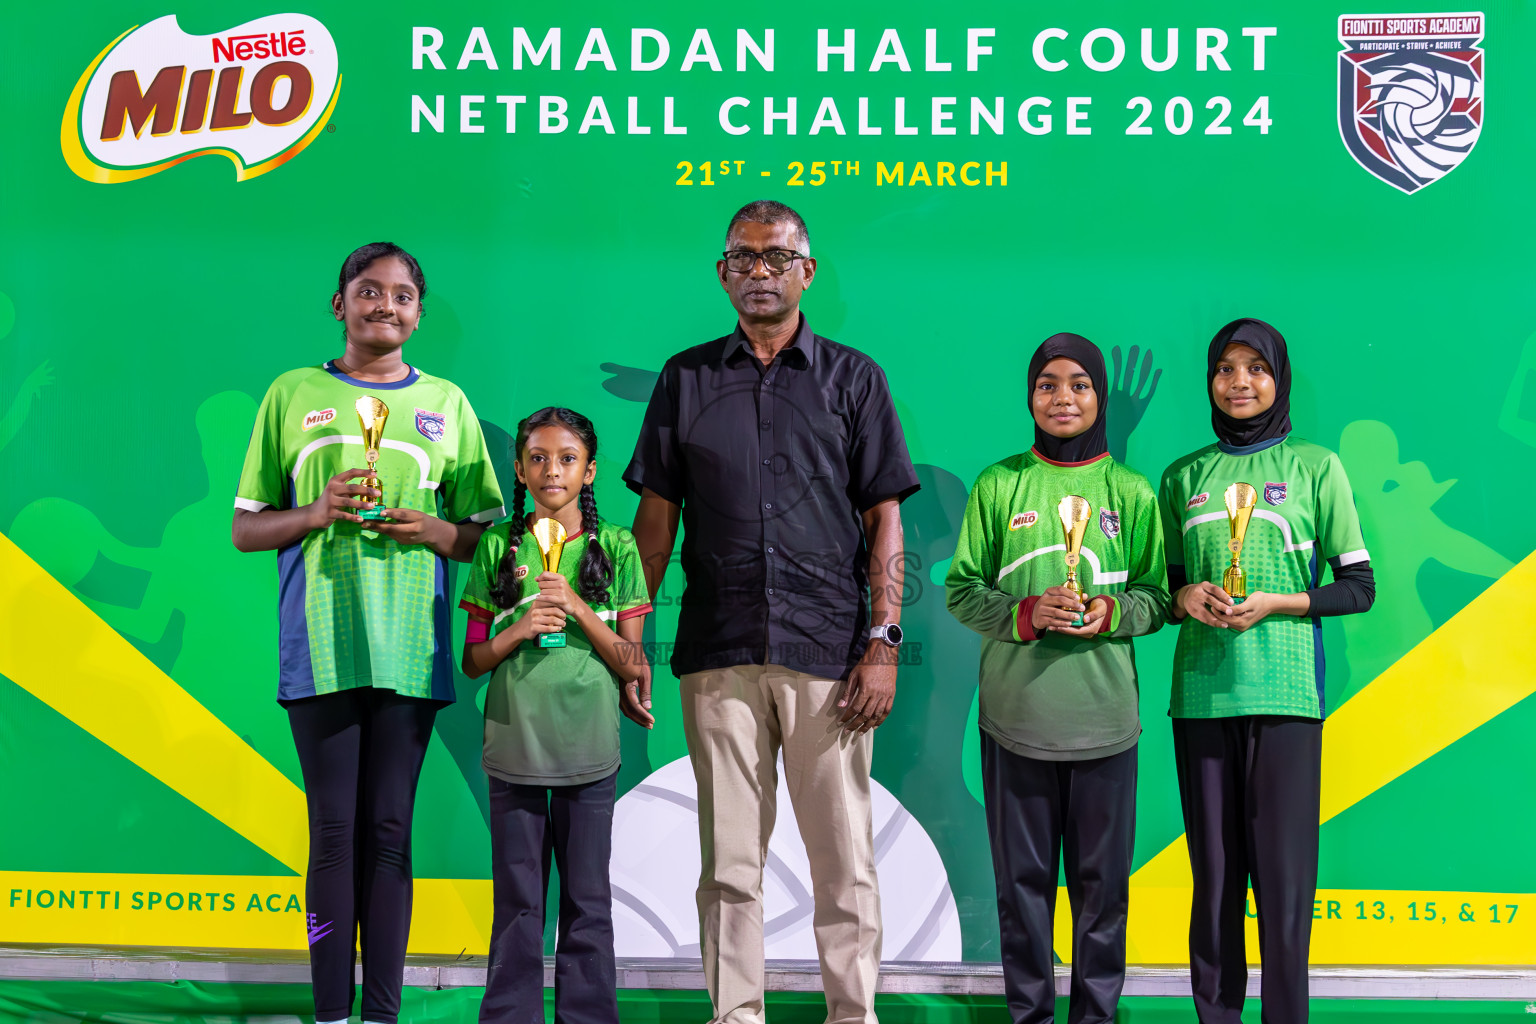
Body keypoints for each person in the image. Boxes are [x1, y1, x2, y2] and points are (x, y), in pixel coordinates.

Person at [623, 200, 919, 1024]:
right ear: (722, 273)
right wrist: (633, 637)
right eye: (744, 259)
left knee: (845, 859)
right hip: (717, 649)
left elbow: (884, 520)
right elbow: (656, 521)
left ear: (807, 271)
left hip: (829, 651)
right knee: (729, 863)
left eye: (777, 258)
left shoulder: (854, 378)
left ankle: (852, 1015)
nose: (760, 272)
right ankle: (735, 1015)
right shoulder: (685, 379)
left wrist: (885, 640)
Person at [232, 242, 504, 1024]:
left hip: (410, 652)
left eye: (403, 296)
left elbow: (485, 537)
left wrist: (433, 529)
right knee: (333, 835)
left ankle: (380, 1015)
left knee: (389, 831)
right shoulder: (292, 393)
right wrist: (316, 513)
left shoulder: (446, 404)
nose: (385, 306)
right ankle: (330, 1013)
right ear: (339, 303)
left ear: (419, 313)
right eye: (368, 291)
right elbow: (247, 531)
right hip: (318, 644)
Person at [946, 333, 1169, 1024]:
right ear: (1030, 396)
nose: (1063, 397)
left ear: (1099, 396)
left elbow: (1159, 597)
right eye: (1048, 383)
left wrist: (1111, 609)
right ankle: (1030, 1016)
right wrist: (1025, 611)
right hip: (1015, 722)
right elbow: (960, 590)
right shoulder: (999, 483)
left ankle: (1095, 1017)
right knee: (1023, 888)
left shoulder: (1130, 491)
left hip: (1106, 723)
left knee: (1103, 891)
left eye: (1079, 383)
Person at [1159, 318, 1375, 1024]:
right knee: (1214, 882)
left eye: (1256, 367)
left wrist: (1278, 602)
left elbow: (1358, 586)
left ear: (1278, 378)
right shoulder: (1183, 475)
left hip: (1286, 698)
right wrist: (1186, 595)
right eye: (1226, 368)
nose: (1240, 382)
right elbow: (1165, 591)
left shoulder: (1317, 467)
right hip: (1200, 699)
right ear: (1211, 382)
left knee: (1284, 886)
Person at [460, 407, 653, 1024]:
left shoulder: (617, 547)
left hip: (589, 748)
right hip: (514, 745)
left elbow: (630, 662)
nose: (552, 471)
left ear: (590, 471)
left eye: (567, 459)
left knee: (588, 899)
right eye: (538, 458)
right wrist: (516, 630)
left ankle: (589, 1017)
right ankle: (510, 1015)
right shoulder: (497, 545)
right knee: (517, 901)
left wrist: (575, 605)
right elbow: (472, 659)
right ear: (518, 468)